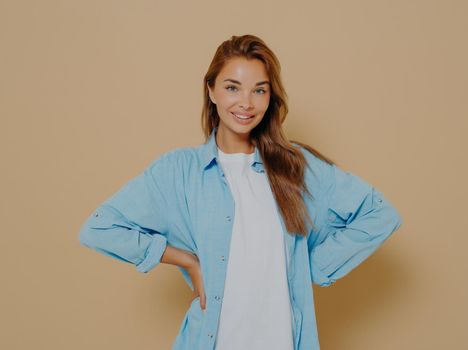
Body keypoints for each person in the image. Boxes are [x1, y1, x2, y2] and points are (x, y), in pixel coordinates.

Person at [78, 34, 403, 350]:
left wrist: (309, 266)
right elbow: (99, 228)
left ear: (270, 97)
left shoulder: (297, 168)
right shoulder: (178, 171)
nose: (246, 103)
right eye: (232, 87)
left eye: (259, 90)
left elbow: (379, 213)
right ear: (212, 90)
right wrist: (188, 261)